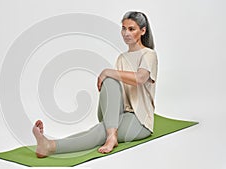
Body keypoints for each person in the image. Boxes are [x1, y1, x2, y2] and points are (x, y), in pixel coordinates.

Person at [32, 11, 158, 158]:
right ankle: (112, 134)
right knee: (110, 80)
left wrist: (107, 72)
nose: (126, 33)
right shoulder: (121, 58)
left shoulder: (149, 54)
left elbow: (140, 78)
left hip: (139, 121)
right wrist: (108, 78)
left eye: (131, 29)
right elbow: (118, 91)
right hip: (117, 113)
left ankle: (50, 146)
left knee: (102, 130)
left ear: (143, 31)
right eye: (123, 28)